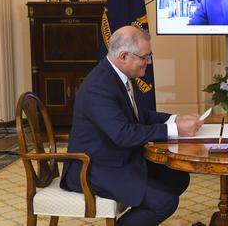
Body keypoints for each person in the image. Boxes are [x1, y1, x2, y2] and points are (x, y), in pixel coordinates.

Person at [60, 25, 203, 226]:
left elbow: (139, 115)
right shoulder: (99, 86)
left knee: (177, 178)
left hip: (116, 157)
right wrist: (175, 130)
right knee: (165, 201)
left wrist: (175, 119)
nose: (149, 62)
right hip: (93, 167)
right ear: (124, 56)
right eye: (145, 57)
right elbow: (123, 134)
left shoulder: (118, 75)